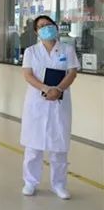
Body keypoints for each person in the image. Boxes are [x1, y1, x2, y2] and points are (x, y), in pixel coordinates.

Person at [20, 15, 79, 200]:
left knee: (59, 147)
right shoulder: (31, 51)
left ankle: (59, 185)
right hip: (37, 102)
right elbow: (28, 75)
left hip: (59, 102)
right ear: (36, 32)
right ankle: (30, 182)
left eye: (49, 24)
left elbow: (72, 73)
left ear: (55, 27)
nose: (46, 28)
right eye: (41, 26)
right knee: (33, 147)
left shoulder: (67, 49)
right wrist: (46, 89)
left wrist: (58, 89)